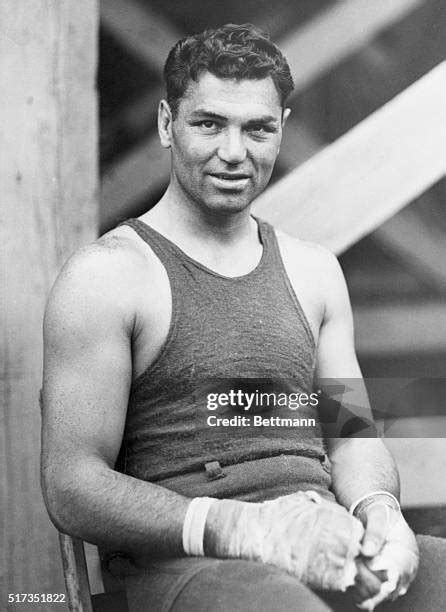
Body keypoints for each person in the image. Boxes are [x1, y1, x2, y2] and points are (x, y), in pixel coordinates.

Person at [41, 24, 446, 611]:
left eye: (258, 128)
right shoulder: (107, 276)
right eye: (209, 124)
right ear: (164, 124)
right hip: (191, 570)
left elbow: (351, 437)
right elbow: (71, 485)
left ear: (281, 127)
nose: (235, 152)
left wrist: (378, 513)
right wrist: (238, 528)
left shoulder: (314, 272)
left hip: (325, 549)